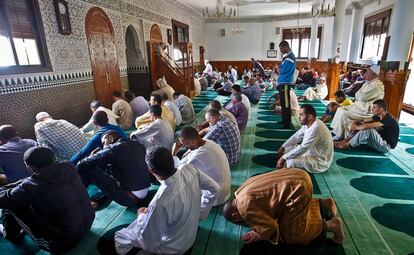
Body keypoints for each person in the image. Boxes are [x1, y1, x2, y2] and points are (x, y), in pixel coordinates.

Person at [114, 146, 220, 255]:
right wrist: (200, 213)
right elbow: (215, 189)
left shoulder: (160, 203)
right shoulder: (189, 169)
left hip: (171, 249)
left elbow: (149, 243)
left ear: (151, 170)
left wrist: (141, 217)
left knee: (120, 237)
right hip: (190, 237)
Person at [0, 147, 95, 253]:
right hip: (88, 224)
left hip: (61, 243)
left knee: (10, 205)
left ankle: (9, 235)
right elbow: (31, 180)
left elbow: (2, 199)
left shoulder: (31, 185)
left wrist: (4, 184)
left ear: (30, 168)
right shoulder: (68, 165)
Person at [223, 169, 344, 246]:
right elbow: (271, 202)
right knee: (288, 210)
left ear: (235, 215)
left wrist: (259, 234)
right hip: (298, 175)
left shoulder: (245, 207)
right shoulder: (240, 191)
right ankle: (324, 203)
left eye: (240, 220)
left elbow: (270, 226)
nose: (245, 221)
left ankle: (332, 225)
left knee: (291, 234)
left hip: (299, 188)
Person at [77, 131, 151, 207]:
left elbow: (81, 164)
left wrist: (90, 157)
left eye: (104, 143)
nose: (103, 147)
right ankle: (96, 200)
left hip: (129, 199)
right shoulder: (137, 144)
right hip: (144, 191)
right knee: (102, 169)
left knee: (88, 167)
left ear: (110, 138)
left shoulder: (114, 148)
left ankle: (77, 200)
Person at [174, 127, 231, 206]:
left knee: (182, 181)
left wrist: (174, 152)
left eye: (184, 145)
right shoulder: (208, 142)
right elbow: (189, 157)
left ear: (193, 142)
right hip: (225, 191)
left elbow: (178, 170)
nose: (185, 147)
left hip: (216, 197)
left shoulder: (200, 154)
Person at [330, 65, 384, 140]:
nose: (365, 74)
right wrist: (360, 95)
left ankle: (341, 135)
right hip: (359, 105)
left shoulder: (377, 85)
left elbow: (361, 97)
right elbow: (357, 94)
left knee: (344, 114)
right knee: (340, 109)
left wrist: (360, 95)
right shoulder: (367, 83)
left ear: (374, 74)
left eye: (368, 72)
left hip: (366, 110)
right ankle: (337, 131)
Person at [277, 104, 333, 173]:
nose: (299, 117)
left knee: (290, 162)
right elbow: (296, 136)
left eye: (301, 115)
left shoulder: (316, 128)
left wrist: (283, 158)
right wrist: (283, 147)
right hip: (309, 152)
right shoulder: (310, 123)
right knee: (286, 149)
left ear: (309, 116)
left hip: (318, 161)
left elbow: (303, 148)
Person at [334, 99, 399, 153]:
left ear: (381, 109)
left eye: (374, 107)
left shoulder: (388, 119)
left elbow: (366, 127)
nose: (372, 109)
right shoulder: (378, 116)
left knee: (368, 130)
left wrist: (355, 127)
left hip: (386, 146)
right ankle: (345, 141)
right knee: (360, 125)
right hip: (379, 141)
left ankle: (347, 145)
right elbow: (362, 121)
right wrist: (354, 123)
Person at [277, 41, 296, 128]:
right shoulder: (288, 56)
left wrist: (277, 69)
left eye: (281, 48)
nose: (280, 50)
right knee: (283, 103)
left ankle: (287, 123)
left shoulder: (289, 57)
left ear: (285, 47)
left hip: (285, 83)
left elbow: (281, 71)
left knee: (286, 104)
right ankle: (284, 120)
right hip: (283, 82)